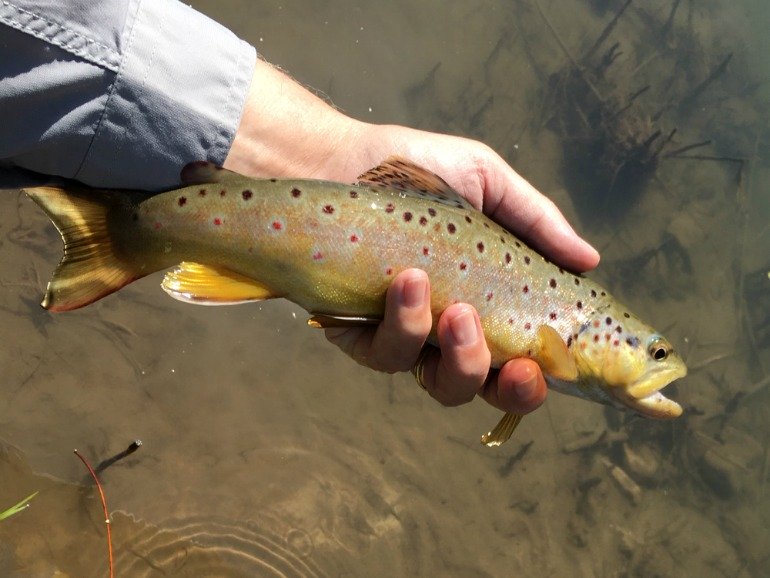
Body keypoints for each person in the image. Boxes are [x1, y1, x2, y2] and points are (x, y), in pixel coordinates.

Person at [0, 0, 599, 419]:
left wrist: (329, 150)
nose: (660, 366)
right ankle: (124, 234)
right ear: (601, 332)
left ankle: (134, 231)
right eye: (652, 352)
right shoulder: (565, 346)